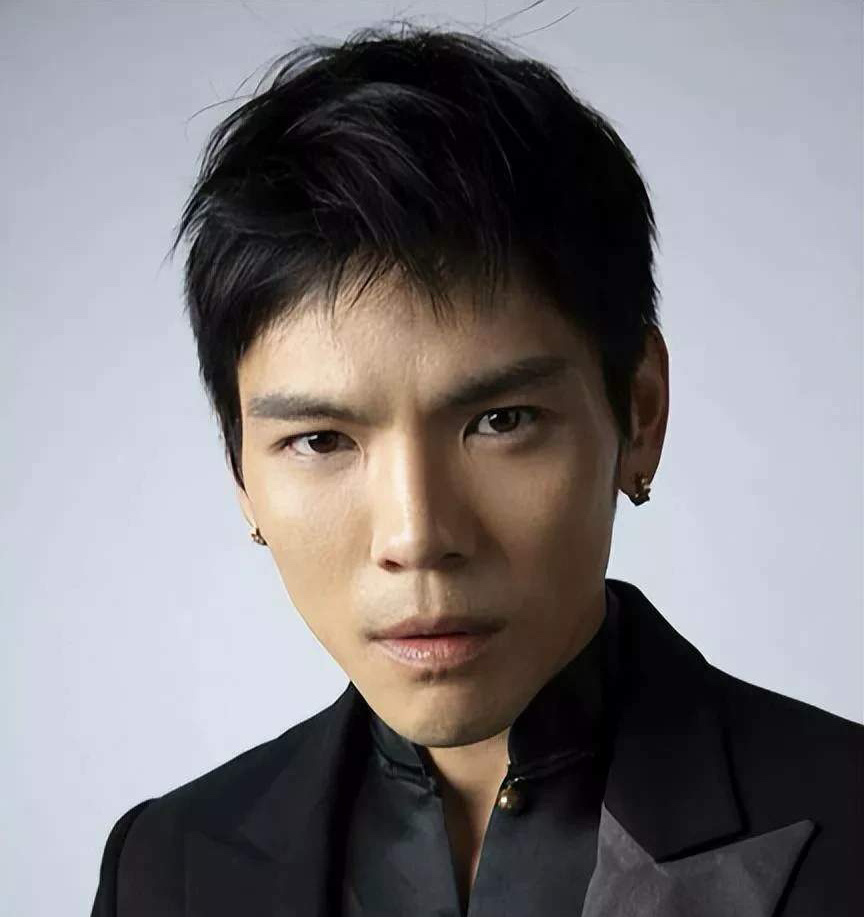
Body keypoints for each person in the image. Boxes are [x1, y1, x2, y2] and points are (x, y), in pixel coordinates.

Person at [90, 24, 862, 917]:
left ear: (640, 411)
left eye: (501, 421)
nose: (416, 535)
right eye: (322, 440)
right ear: (239, 469)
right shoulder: (164, 868)